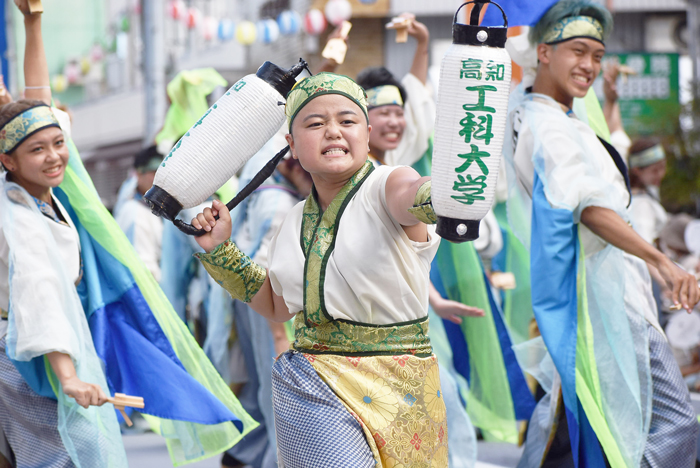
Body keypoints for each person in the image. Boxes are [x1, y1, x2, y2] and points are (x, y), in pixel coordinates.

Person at [0, 2, 256, 466]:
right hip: (31, 353)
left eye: (59, 143)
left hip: (48, 342)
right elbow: (36, 291)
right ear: (8, 161)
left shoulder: (47, 194)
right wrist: (68, 375)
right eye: (38, 149)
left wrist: (34, 21)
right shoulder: (20, 219)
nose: (57, 155)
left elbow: (38, 101)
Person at [191, 72, 452, 467]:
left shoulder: (389, 183)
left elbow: (413, 195)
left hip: (406, 383)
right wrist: (221, 253)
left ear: (366, 132)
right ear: (291, 145)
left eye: (347, 121)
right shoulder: (292, 220)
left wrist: (448, 196)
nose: (333, 132)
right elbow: (279, 305)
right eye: (315, 124)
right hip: (314, 381)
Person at [504, 1, 699, 467]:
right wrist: (662, 262)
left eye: (597, 53)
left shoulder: (564, 120)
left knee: (595, 423)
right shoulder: (545, 124)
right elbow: (586, 206)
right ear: (543, 53)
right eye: (577, 51)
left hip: (610, 291)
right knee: (673, 423)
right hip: (604, 300)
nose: (589, 65)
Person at [115, 145, 164, 281]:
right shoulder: (135, 213)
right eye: (153, 172)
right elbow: (145, 272)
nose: (159, 178)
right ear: (138, 174)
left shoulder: (154, 208)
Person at [628, 137, 668, 246]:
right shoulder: (640, 203)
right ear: (636, 170)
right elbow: (644, 241)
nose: (660, 174)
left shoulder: (649, 191)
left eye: (663, 167)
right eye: (654, 170)